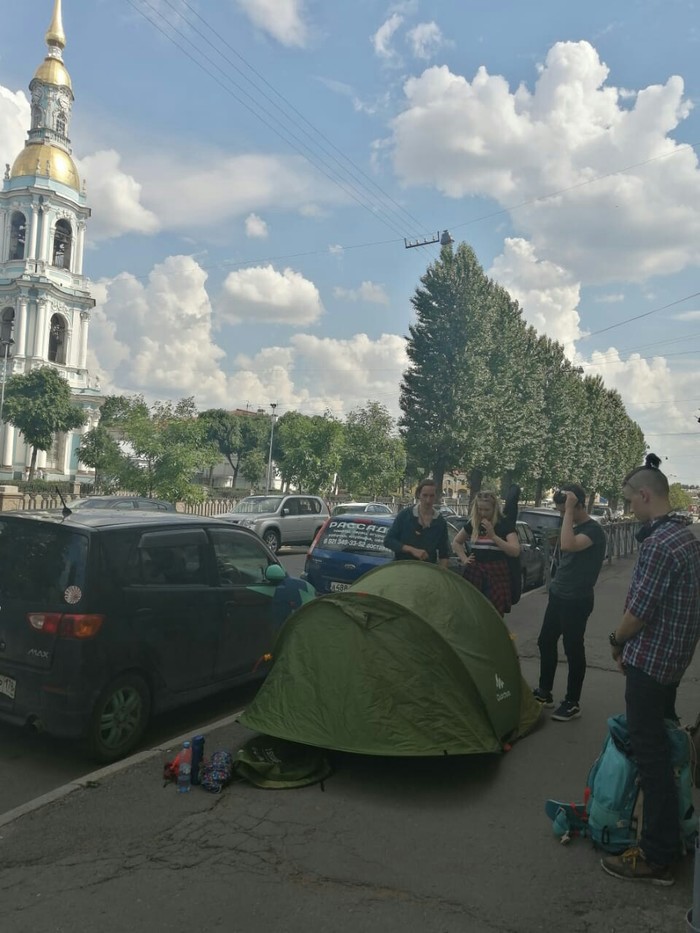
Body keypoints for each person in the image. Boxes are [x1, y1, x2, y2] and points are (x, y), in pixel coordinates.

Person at [601, 454, 700, 886]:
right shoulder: (687, 538)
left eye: (629, 501)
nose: (628, 510)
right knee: (666, 743)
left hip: (651, 663)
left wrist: (615, 641)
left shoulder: (659, 544)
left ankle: (658, 853)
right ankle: (678, 825)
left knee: (651, 756)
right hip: (674, 661)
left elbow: (638, 612)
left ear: (645, 495)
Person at [533, 482, 606, 721]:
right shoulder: (572, 525)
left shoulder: (594, 530)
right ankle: (545, 692)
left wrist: (569, 513)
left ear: (579, 505)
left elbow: (568, 545)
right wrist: (567, 514)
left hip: (577, 599)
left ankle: (572, 701)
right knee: (545, 641)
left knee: (573, 649)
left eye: (564, 510)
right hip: (558, 594)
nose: (561, 515)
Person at [452, 490, 520, 616]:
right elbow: (456, 542)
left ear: (494, 508)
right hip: (475, 571)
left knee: (493, 612)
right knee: (473, 611)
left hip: (496, 573)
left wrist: (493, 536)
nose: (483, 513)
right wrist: (464, 559)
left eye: (486, 510)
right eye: (480, 509)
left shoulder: (504, 524)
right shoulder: (473, 523)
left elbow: (515, 551)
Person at [383, 478, 449, 567]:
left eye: (431, 496)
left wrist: (441, 575)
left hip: (427, 572)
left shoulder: (440, 522)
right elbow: (388, 541)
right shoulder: (405, 515)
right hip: (402, 569)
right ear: (418, 495)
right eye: (425, 495)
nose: (428, 500)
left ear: (436, 496)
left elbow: (444, 554)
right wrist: (411, 550)